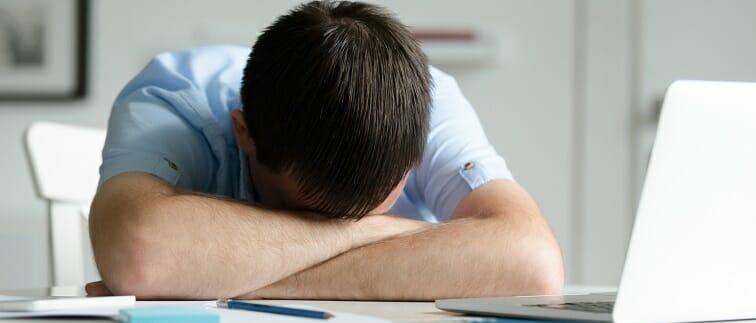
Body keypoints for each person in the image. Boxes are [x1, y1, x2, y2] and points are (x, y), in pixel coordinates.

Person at [87, 0, 563, 300]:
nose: (345, 227)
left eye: (370, 215)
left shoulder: (426, 103)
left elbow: (533, 262)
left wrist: (255, 282)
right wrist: (391, 237)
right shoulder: (175, 97)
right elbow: (140, 252)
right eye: (309, 214)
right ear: (244, 133)